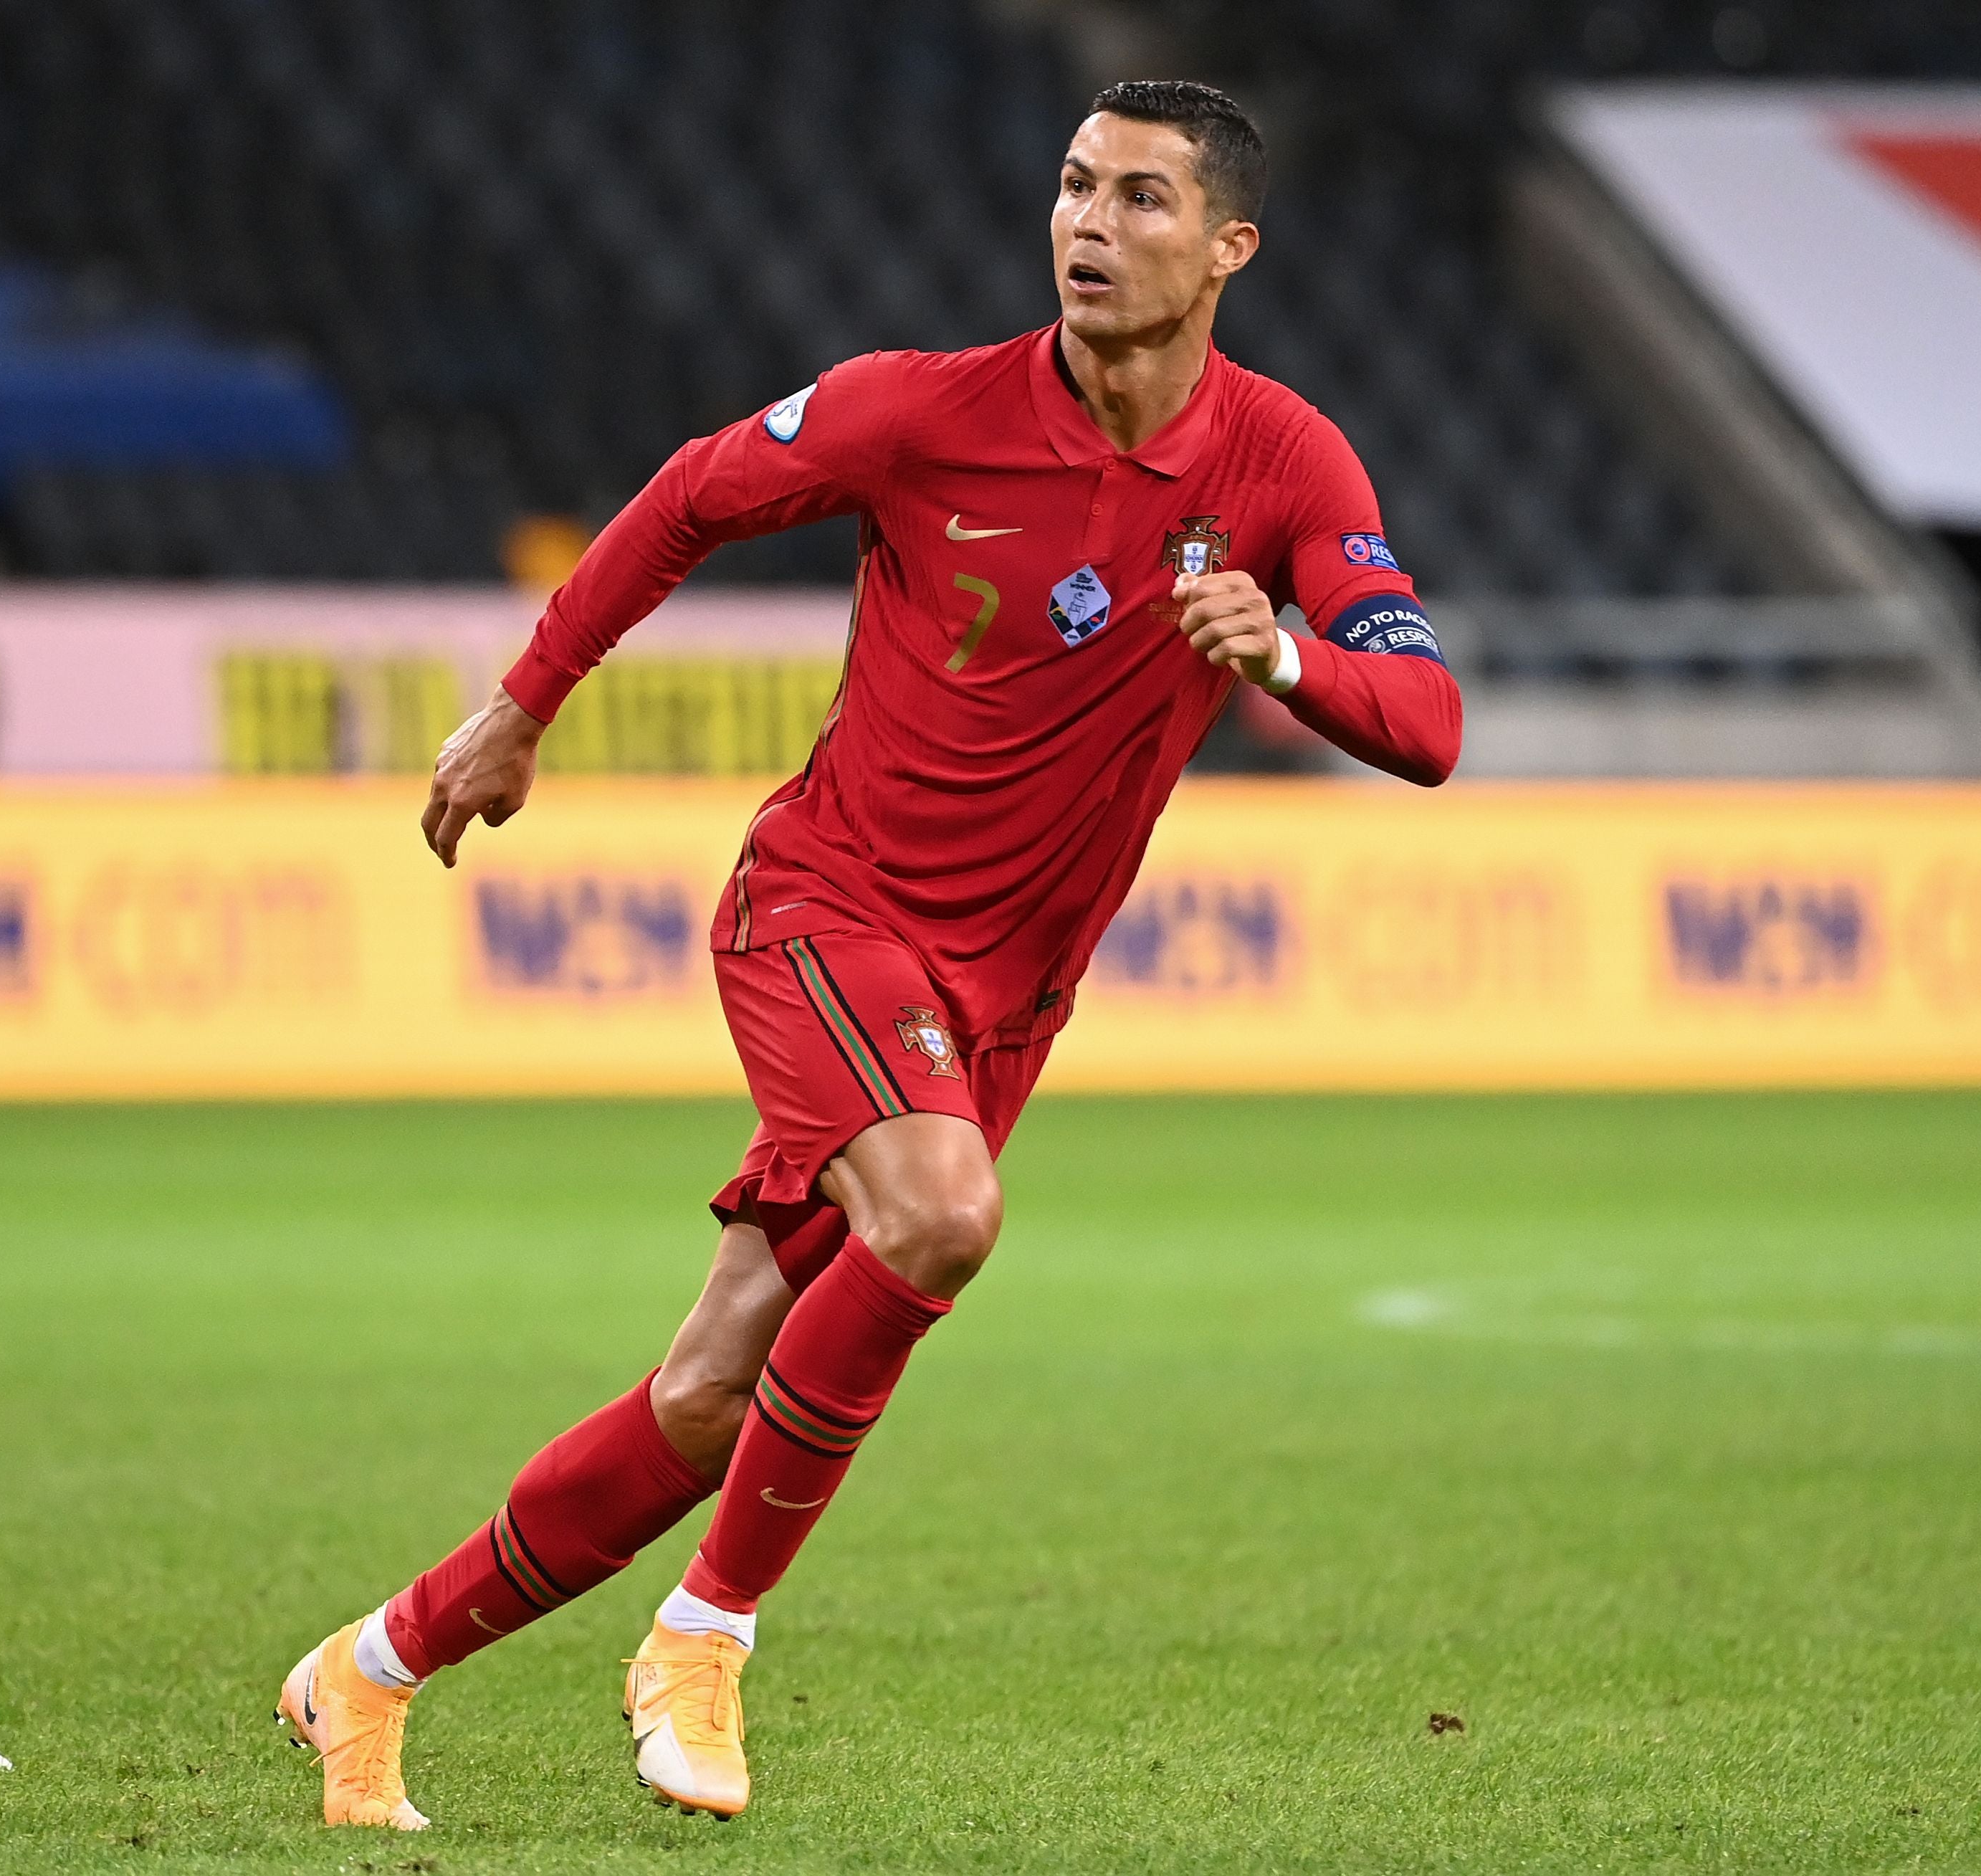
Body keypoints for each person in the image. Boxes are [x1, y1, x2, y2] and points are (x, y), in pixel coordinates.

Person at [276, 78, 1461, 1830]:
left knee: (708, 1391)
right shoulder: (925, 412)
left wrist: (1284, 661)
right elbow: (688, 494)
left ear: (1229, 249)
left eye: (1140, 198)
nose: (1087, 223)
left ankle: (367, 1669)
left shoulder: (1285, 462)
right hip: (828, 911)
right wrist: (526, 706)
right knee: (940, 1214)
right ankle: (704, 1636)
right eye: (1071, 185)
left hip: (1001, 1001)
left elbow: (1427, 721)